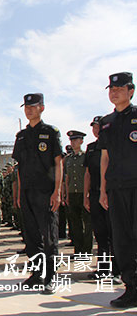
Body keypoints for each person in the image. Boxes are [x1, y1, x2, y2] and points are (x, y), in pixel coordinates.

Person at [12, 93, 63, 295]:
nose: (29, 110)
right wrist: (18, 194)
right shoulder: (21, 136)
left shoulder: (50, 132)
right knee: (31, 236)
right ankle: (37, 273)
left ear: (42, 108)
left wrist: (57, 191)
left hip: (46, 191)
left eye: (33, 106)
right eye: (26, 106)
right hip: (27, 193)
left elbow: (59, 162)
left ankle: (51, 276)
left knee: (49, 235)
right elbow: (19, 168)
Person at [98, 72, 137, 308]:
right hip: (116, 188)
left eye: (119, 88)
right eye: (111, 89)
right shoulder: (106, 122)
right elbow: (105, 158)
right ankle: (131, 287)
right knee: (122, 240)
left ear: (131, 91)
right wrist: (103, 190)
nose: (114, 93)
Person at [84, 116, 120, 282]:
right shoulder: (91, 148)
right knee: (100, 234)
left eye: (98, 126)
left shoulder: (112, 145)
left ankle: (118, 269)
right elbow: (87, 174)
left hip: (111, 194)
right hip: (95, 194)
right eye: (93, 127)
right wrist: (86, 195)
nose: (95, 130)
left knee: (115, 233)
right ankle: (103, 269)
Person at [64, 130, 92, 255]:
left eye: (75, 140)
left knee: (87, 224)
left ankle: (86, 250)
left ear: (81, 141)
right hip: (72, 193)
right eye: (71, 140)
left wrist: (87, 194)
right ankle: (78, 250)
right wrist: (66, 194)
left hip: (83, 193)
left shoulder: (86, 156)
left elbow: (88, 175)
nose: (73, 142)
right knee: (75, 224)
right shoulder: (68, 159)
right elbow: (67, 178)